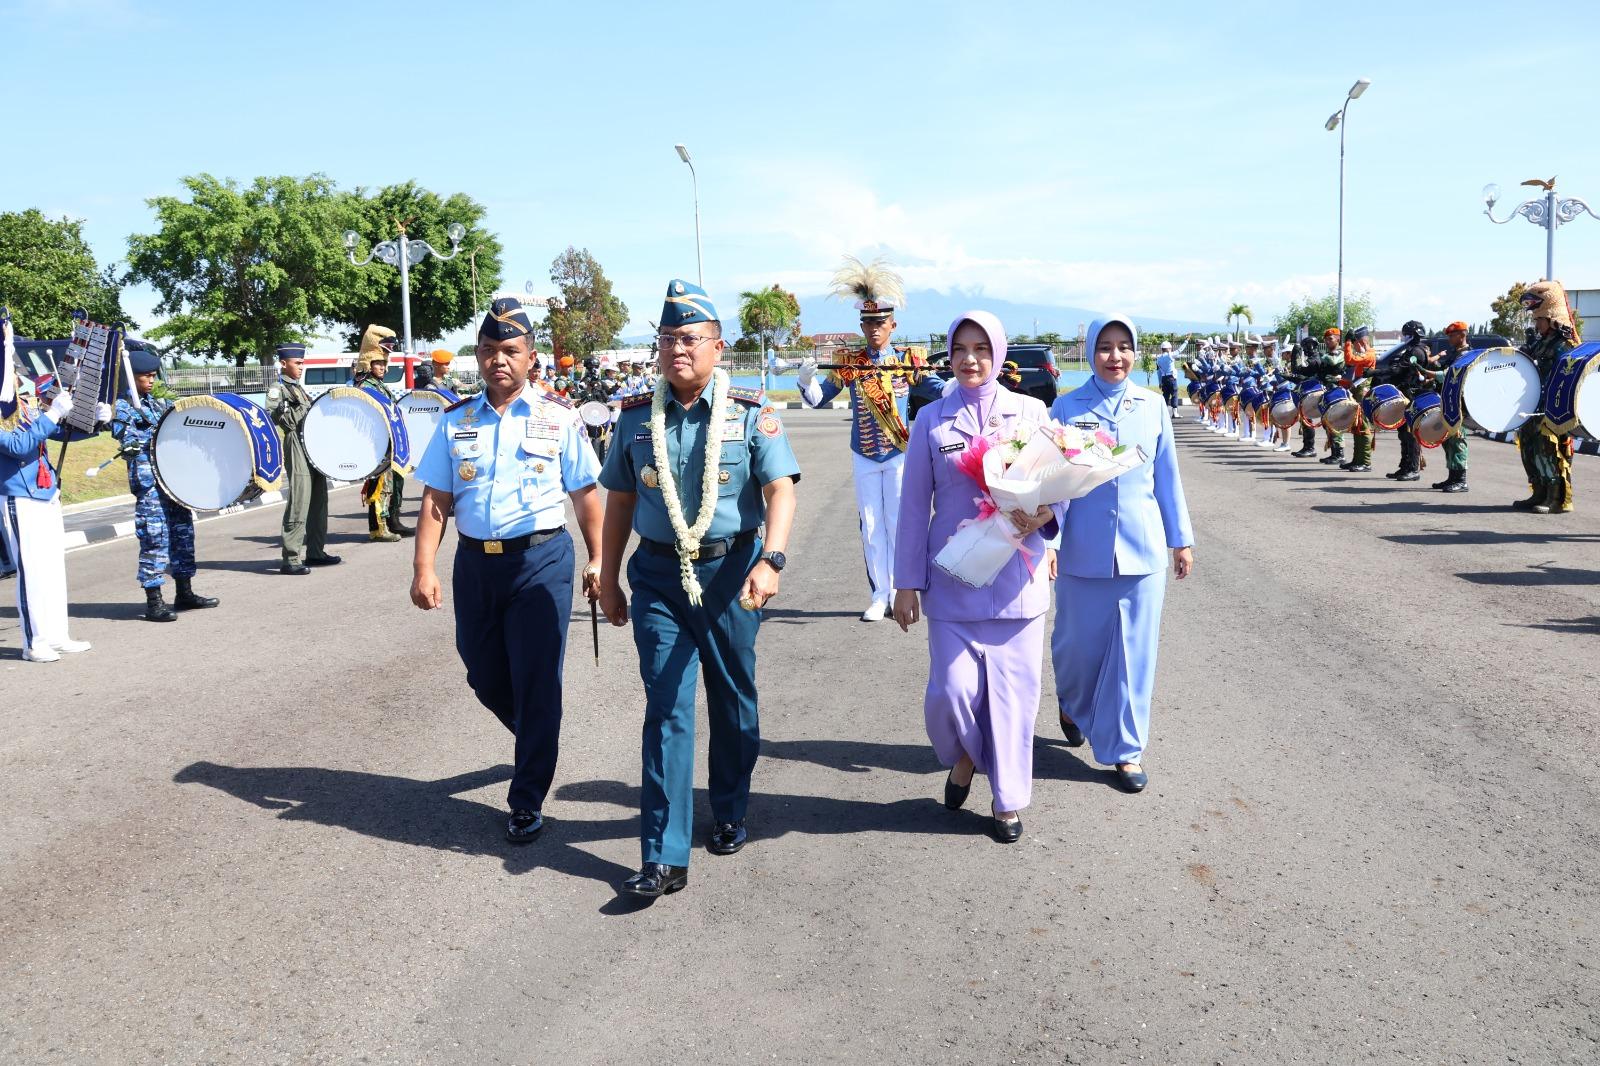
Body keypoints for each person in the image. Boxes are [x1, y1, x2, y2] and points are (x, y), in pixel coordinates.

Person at [598, 279, 800, 900]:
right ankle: (664, 856)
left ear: (717, 346)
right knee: (667, 707)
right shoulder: (635, 417)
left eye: (689, 338)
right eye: (666, 339)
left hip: (733, 574)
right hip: (659, 576)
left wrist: (772, 560)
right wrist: (607, 578)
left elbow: (780, 490)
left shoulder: (750, 412)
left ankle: (731, 805)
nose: (676, 349)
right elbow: (621, 501)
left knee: (734, 701)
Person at [410, 297, 604, 843]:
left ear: (530, 357)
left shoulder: (559, 417)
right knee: (482, 669)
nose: (500, 360)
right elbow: (436, 500)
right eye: (491, 350)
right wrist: (424, 566)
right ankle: (537, 734)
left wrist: (600, 559)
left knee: (537, 678)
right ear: (478, 355)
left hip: (541, 560)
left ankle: (526, 797)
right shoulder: (455, 421)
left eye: (511, 351)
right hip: (476, 563)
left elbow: (586, 495)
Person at [892, 311, 1054, 843]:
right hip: (953, 580)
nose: (970, 359)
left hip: (1016, 581)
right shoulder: (930, 421)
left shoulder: (1030, 413)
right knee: (952, 691)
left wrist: (1047, 517)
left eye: (981, 349)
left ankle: (1007, 800)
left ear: (999, 353)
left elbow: (1059, 488)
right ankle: (962, 752)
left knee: (1013, 698)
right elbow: (915, 507)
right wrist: (905, 582)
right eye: (960, 348)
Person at [1049, 316, 1194, 794]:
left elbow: (1167, 478)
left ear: (1136, 353)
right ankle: (1071, 702)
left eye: (1124, 347)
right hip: (1081, 551)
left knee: (1135, 656)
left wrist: (1181, 538)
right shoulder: (1067, 407)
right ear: (1089, 352)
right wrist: (1048, 543)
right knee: (1075, 650)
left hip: (1142, 550)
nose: (1115, 356)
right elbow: (1049, 483)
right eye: (1105, 347)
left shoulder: (1152, 407)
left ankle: (1126, 751)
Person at [797, 256, 923, 621]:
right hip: (865, 453)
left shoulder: (907, 361)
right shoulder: (850, 363)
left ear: (892, 325)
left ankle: (903, 590)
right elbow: (820, 399)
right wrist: (806, 382)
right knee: (871, 525)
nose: (874, 330)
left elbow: (935, 387)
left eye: (880, 323)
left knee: (899, 523)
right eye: (868, 324)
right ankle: (879, 594)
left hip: (898, 453)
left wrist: (952, 385)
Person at [112, 351, 220, 622]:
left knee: (183, 534)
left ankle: (184, 592)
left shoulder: (156, 404)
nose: (150, 379)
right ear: (131, 377)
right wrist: (130, 442)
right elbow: (121, 433)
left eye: (152, 375)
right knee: (155, 538)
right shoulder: (123, 406)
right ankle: (154, 601)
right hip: (149, 484)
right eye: (145, 376)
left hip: (173, 480)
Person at [1, 376, 101, 661]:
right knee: (31, 572)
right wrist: (53, 412)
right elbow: (18, 445)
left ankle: (57, 635)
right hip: (18, 494)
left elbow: (57, 433)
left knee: (53, 570)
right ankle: (34, 642)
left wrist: (95, 421)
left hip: (45, 492)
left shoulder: (21, 405)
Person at [270, 344, 340, 576]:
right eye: (297, 363)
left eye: (302, 363)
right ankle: (291, 558)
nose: (301, 367)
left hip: (311, 446)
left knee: (319, 500)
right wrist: (281, 411)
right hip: (295, 444)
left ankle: (316, 552)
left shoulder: (299, 389)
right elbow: (275, 415)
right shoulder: (278, 389)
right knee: (299, 500)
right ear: (283, 363)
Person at [1515, 280, 1578, 514]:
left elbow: (1565, 375)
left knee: (1546, 451)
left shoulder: (1565, 345)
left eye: (1539, 319)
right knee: (1529, 450)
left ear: (1551, 319)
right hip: (1532, 405)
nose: (1536, 324)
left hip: (1551, 408)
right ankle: (1538, 491)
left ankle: (1555, 498)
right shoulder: (1540, 344)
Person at [353, 325, 410, 541]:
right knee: (378, 486)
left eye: (385, 364)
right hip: (375, 443)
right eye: (379, 363)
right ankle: (378, 528)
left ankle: (389, 522)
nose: (383, 368)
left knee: (389, 485)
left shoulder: (378, 384)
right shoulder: (366, 385)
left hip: (387, 443)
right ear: (369, 363)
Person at [1380, 321, 1431, 481]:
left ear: (1414, 335)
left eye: (1407, 334)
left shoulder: (1417, 351)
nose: (1404, 337)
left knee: (1411, 434)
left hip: (1412, 395)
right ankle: (1404, 466)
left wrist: (1375, 372)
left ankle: (1413, 468)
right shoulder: (1412, 350)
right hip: (1405, 394)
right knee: (1403, 433)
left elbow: (1399, 370)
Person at [1432, 321, 1472, 492]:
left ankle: (1461, 479)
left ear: (1462, 335)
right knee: (1448, 440)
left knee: (1458, 440)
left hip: (1460, 404)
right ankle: (1452, 477)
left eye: (1452, 335)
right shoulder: (1454, 354)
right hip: (1449, 401)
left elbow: (1453, 375)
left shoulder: (1467, 355)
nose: (1449, 338)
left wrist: (1434, 374)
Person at [1341, 326, 1377, 474]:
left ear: (1361, 341)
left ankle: (1366, 462)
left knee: (1363, 426)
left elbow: (1349, 359)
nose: (1354, 345)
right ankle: (1357, 460)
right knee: (1357, 426)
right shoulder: (1364, 353)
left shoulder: (1369, 354)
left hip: (1363, 392)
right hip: (1357, 390)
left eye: (1355, 341)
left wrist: (1347, 342)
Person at [1156, 340, 1179, 413]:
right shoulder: (1170, 355)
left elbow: (1158, 372)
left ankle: (1164, 412)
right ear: (1168, 348)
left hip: (1164, 379)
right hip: (1171, 378)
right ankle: (1175, 413)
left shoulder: (1158, 359)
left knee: (1165, 395)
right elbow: (1180, 350)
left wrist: (1160, 382)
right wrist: (1186, 341)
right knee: (1174, 394)